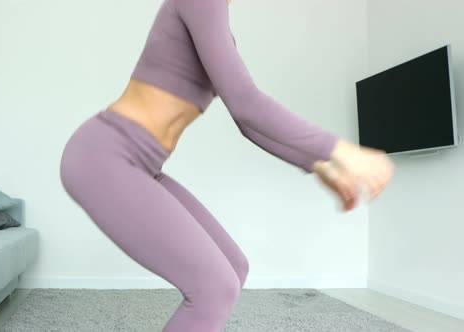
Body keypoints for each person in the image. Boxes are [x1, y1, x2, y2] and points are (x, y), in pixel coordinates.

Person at [59, 0, 395, 331]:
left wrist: (318, 163)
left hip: (139, 163)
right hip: (105, 155)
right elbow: (246, 103)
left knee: (233, 268)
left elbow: (246, 122)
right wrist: (338, 149)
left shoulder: (214, 18)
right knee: (213, 288)